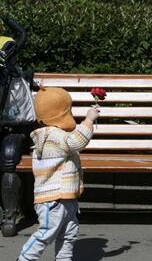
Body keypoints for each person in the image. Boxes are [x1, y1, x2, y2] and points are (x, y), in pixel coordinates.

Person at [17, 87, 99, 261]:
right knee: (47, 232)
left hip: (66, 196)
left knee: (69, 233)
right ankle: (25, 258)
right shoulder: (52, 135)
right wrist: (89, 120)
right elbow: (77, 142)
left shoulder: (56, 134)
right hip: (52, 199)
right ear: (60, 113)